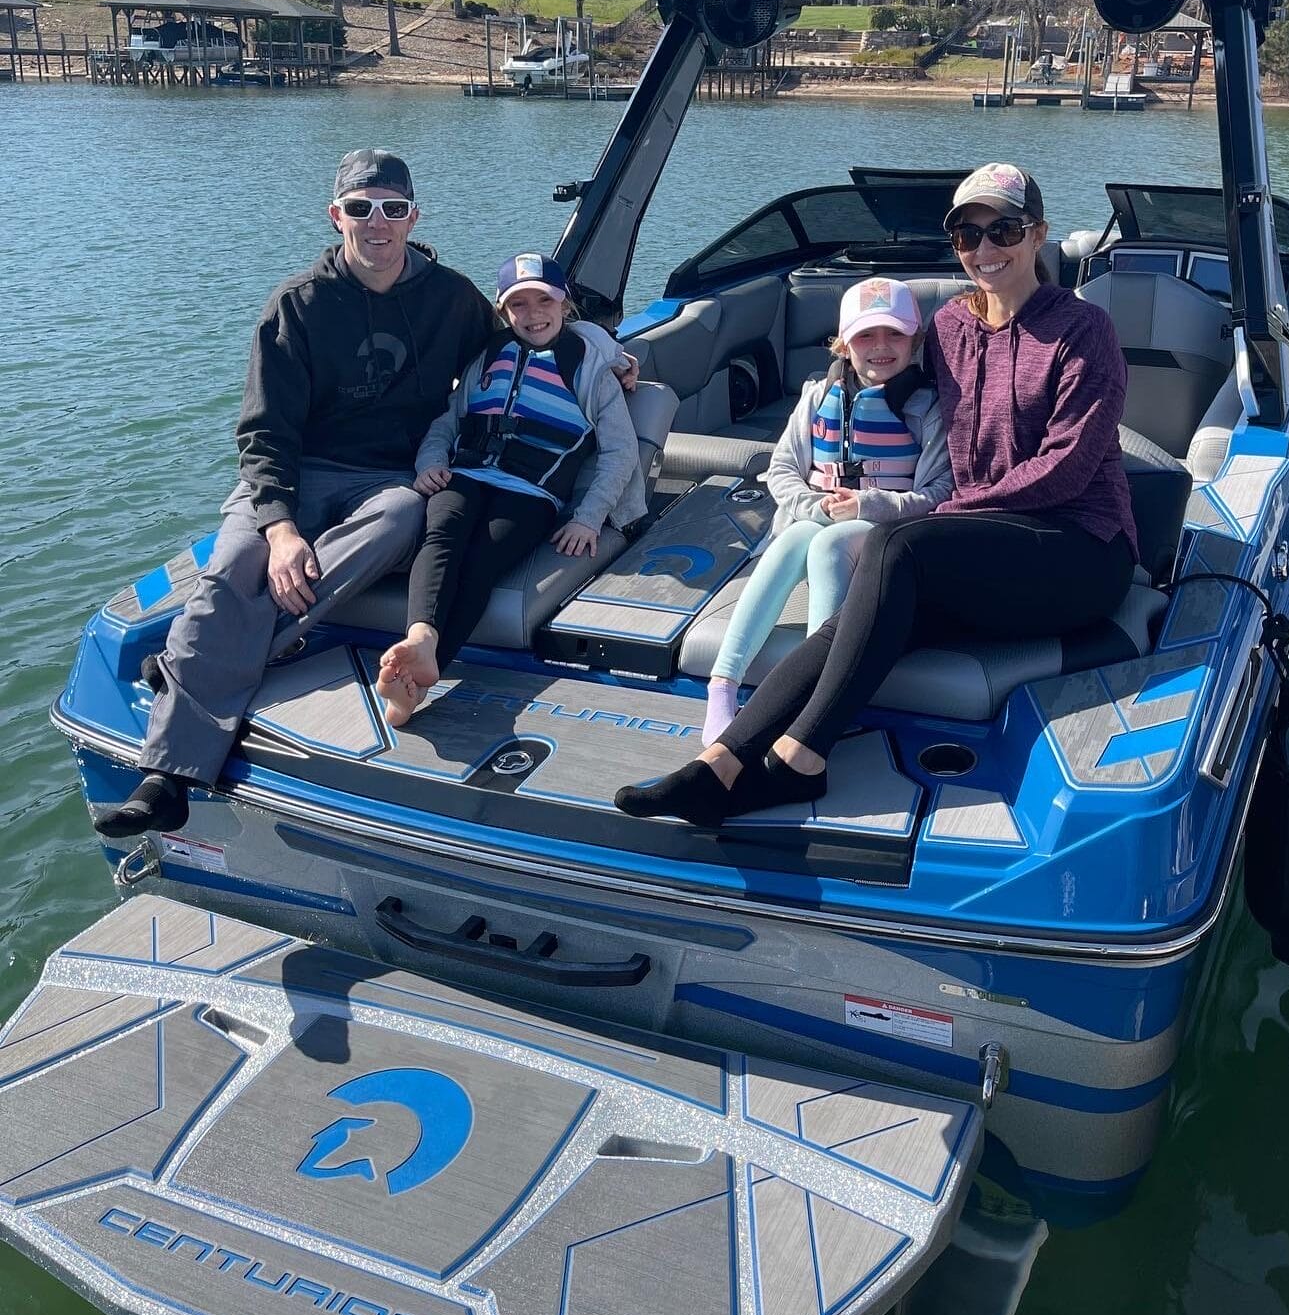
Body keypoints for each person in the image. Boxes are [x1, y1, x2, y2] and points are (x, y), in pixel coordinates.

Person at [94, 150, 629, 838]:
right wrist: (281, 529)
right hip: (297, 471)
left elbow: (529, 341)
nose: (377, 223)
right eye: (360, 208)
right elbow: (263, 433)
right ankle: (164, 782)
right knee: (233, 569)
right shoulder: (296, 306)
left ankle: (191, 667)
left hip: (389, 479)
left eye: (392, 209)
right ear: (335, 216)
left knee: (405, 516)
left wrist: (608, 352)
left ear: (413, 217)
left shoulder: (451, 297)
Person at [616, 163, 1137, 828]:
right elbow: (872, 375)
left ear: (1038, 234)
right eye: (967, 235)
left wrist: (936, 513)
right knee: (857, 616)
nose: (984, 249)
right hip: (981, 547)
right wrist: (609, 355)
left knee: (898, 547)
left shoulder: (1082, 331)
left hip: (1078, 550)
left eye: (1003, 229)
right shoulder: (950, 326)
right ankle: (718, 763)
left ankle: (798, 760)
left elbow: (1064, 471)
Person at [376, 252, 645, 726]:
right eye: (518, 304)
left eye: (544, 300)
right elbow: (449, 419)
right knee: (443, 535)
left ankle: (419, 680)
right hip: (466, 474)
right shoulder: (488, 354)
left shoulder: (591, 366)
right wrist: (431, 462)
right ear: (503, 312)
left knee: (483, 560)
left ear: (565, 305)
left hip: (532, 493)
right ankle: (421, 637)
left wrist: (589, 515)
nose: (533, 313)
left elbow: (620, 451)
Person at [701, 277, 949, 746]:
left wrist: (869, 504)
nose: (880, 347)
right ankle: (723, 684)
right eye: (865, 336)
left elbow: (939, 492)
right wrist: (812, 505)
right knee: (796, 537)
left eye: (895, 334)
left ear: (915, 340)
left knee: (832, 542)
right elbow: (781, 469)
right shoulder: (817, 398)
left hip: (879, 536)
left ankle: (821, 696)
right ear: (843, 343)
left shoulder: (925, 408)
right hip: (816, 519)